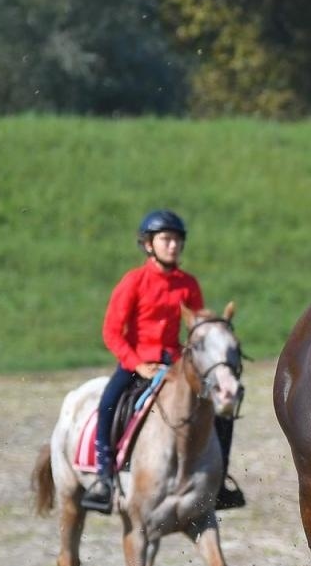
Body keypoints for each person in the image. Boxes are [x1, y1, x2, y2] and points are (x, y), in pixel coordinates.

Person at [80, 210, 245, 514]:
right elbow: (112, 332)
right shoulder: (133, 282)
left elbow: (196, 332)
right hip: (137, 364)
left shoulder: (189, 284)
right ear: (148, 244)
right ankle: (103, 477)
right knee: (108, 402)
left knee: (220, 410)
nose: (173, 245)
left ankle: (219, 482)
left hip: (177, 365)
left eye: (177, 240)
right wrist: (137, 364)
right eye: (166, 239)